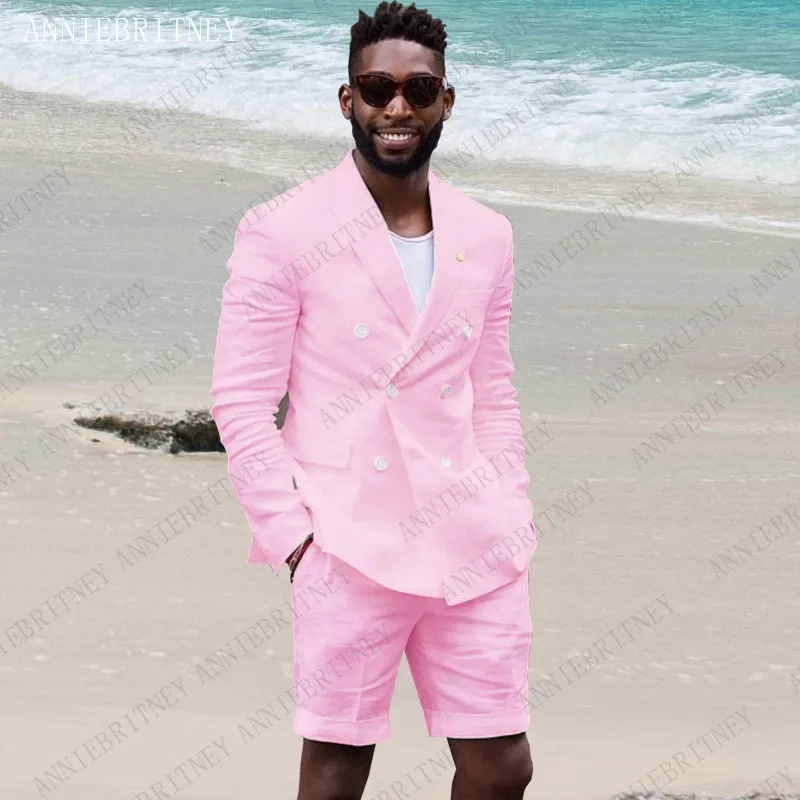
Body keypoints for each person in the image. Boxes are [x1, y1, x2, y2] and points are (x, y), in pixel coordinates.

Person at [210, 2, 539, 797]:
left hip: (473, 536)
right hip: (346, 540)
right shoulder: (282, 228)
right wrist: (294, 539)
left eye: (418, 90)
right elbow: (241, 399)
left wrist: (511, 501)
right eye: (377, 88)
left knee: (502, 767)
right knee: (337, 772)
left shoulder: (487, 233)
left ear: (445, 101)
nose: (398, 107)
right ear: (347, 99)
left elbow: (491, 388)